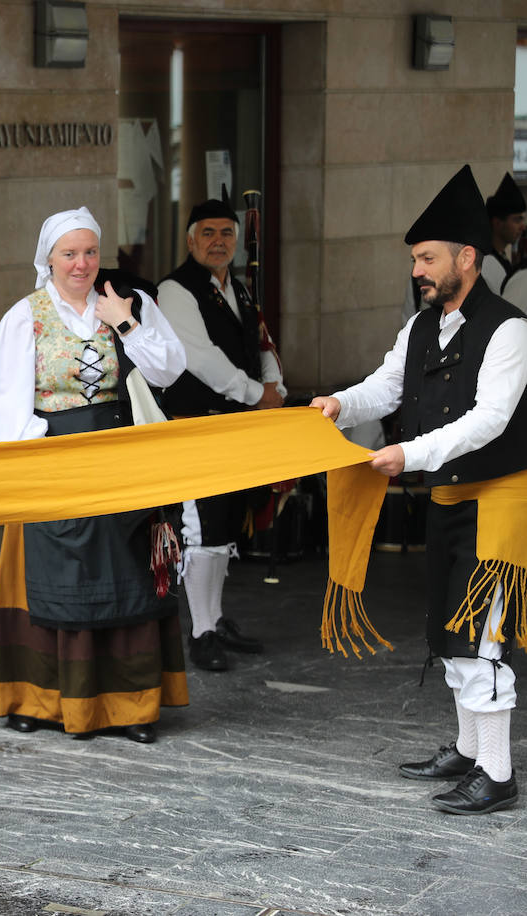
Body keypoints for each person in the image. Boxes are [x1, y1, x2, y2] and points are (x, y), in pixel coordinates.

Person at [311, 164, 527, 815]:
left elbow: (489, 419)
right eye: (414, 260)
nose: (418, 271)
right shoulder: (421, 325)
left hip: (500, 503)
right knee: (449, 632)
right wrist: (338, 406)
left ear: (468, 256)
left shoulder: (511, 329)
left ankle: (498, 772)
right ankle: (467, 750)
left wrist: (409, 452)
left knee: (484, 639)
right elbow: (385, 386)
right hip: (449, 499)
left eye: (428, 258)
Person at [0, 207, 188, 743]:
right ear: (48, 258)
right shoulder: (24, 316)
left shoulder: (131, 303)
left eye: (90, 252)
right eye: (69, 253)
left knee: (127, 580)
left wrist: (124, 320)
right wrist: (40, 466)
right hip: (53, 463)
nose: (81, 264)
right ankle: (40, 700)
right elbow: (8, 406)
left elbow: (170, 368)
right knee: (55, 582)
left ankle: (132, 706)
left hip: (125, 460)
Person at [155, 197, 283, 672]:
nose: (218, 241)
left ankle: (215, 618)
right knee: (202, 526)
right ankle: (200, 631)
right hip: (195, 424)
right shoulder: (175, 289)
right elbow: (199, 356)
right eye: (207, 233)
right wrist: (256, 393)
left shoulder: (240, 291)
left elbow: (260, 343)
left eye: (226, 233)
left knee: (226, 524)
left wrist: (277, 387)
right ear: (191, 240)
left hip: (236, 425)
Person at [479, 172, 524, 296]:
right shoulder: (487, 262)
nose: (522, 227)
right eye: (516, 220)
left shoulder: (502, 258)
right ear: (498, 223)